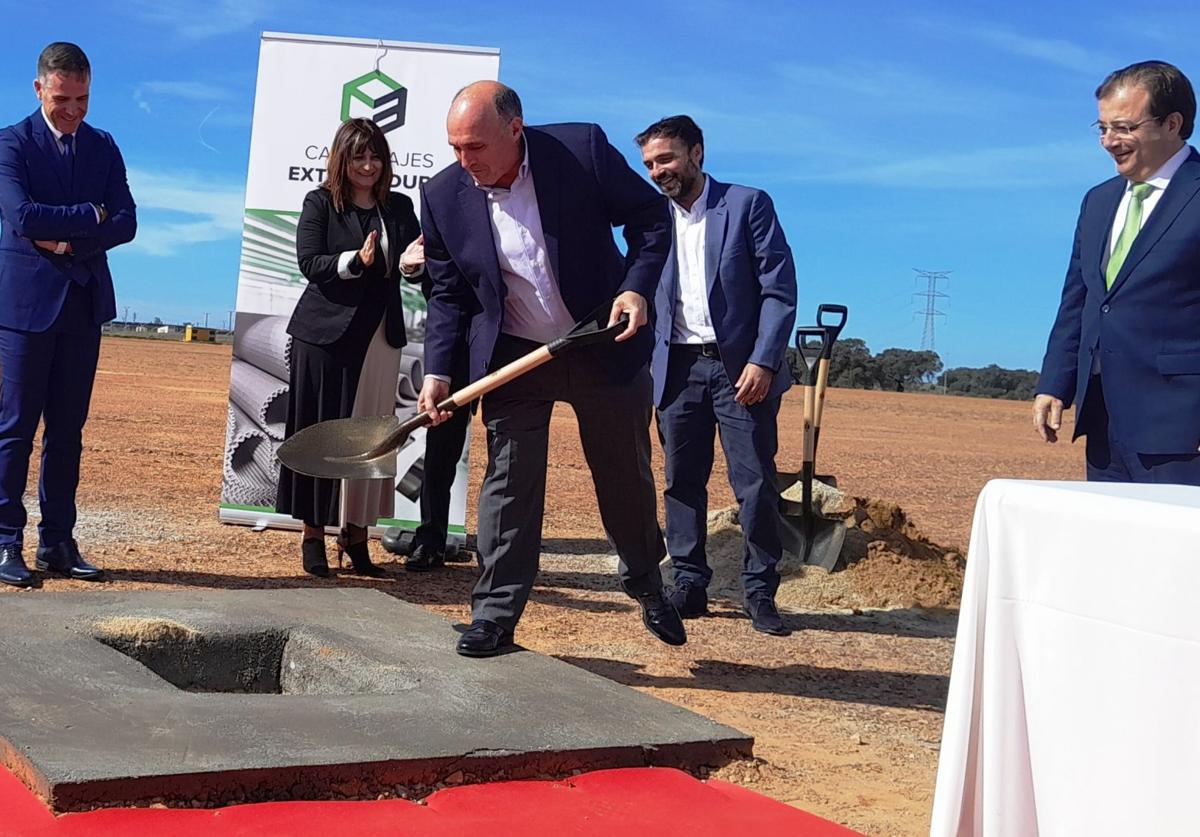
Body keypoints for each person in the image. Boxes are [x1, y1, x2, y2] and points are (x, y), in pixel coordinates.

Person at [417, 81, 686, 657]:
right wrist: (439, 370)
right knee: (508, 485)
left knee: (624, 479)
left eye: (476, 147)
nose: (465, 163)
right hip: (517, 357)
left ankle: (645, 580)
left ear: (516, 129)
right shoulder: (442, 196)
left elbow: (651, 220)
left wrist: (636, 289)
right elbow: (447, 295)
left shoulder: (579, 151)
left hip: (603, 341)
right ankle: (494, 615)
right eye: (455, 147)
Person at [635, 116, 797, 636]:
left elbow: (779, 288)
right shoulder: (650, 219)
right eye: (650, 164)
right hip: (676, 368)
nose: (659, 171)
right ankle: (689, 584)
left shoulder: (748, 204)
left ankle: (760, 590)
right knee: (681, 482)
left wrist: (764, 360)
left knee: (754, 484)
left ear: (697, 153)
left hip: (741, 371)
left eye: (666, 159)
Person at [0, 43, 136, 588]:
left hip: (82, 305)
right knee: (14, 431)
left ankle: (57, 541)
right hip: (24, 311)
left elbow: (126, 222)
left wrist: (65, 242)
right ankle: (6, 541)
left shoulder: (103, 146)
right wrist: (89, 217)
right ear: (39, 89)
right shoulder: (11, 144)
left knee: (68, 433)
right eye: (62, 99)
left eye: (82, 98)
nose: (73, 110)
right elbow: (21, 214)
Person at [1035, 61, 1200, 484]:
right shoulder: (1098, 202)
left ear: (1173, 123)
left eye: (1123, 127)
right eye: (1102, 127)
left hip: (1183, 429)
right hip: (1104, 425)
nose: (1109, 141)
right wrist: (1055, 382)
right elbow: (1080, 301)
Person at [276, 117, 424, 577]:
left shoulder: (398, 208)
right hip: (323, 336)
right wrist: (353, 262)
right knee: (319, 433)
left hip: (380, 338)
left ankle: (357, 536)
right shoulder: (320, 203)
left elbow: (414, 265)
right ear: (342, 159)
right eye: (359, 156)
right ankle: (313, 535)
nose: (368, 165)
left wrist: (413, 267)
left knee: (371, 437)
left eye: (375, 156)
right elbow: (309, 262)